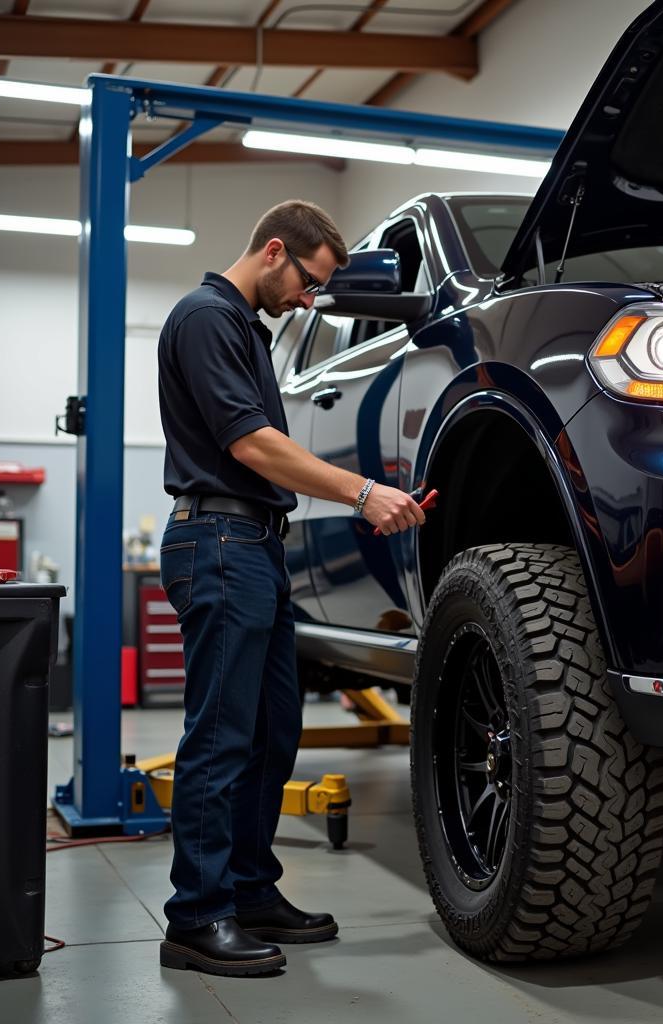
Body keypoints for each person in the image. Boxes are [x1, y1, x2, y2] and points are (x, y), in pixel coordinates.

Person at [155, 200, 425, 977]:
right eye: (311, 281)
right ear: (275, 251)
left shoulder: (246, 331)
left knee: (273, 733)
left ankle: (248, 888)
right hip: (219, 541)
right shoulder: (206, 317)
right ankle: (196, 919)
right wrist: (362, 492)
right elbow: (254, 446)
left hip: (255, 547)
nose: (311, 300)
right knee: (220, 735)